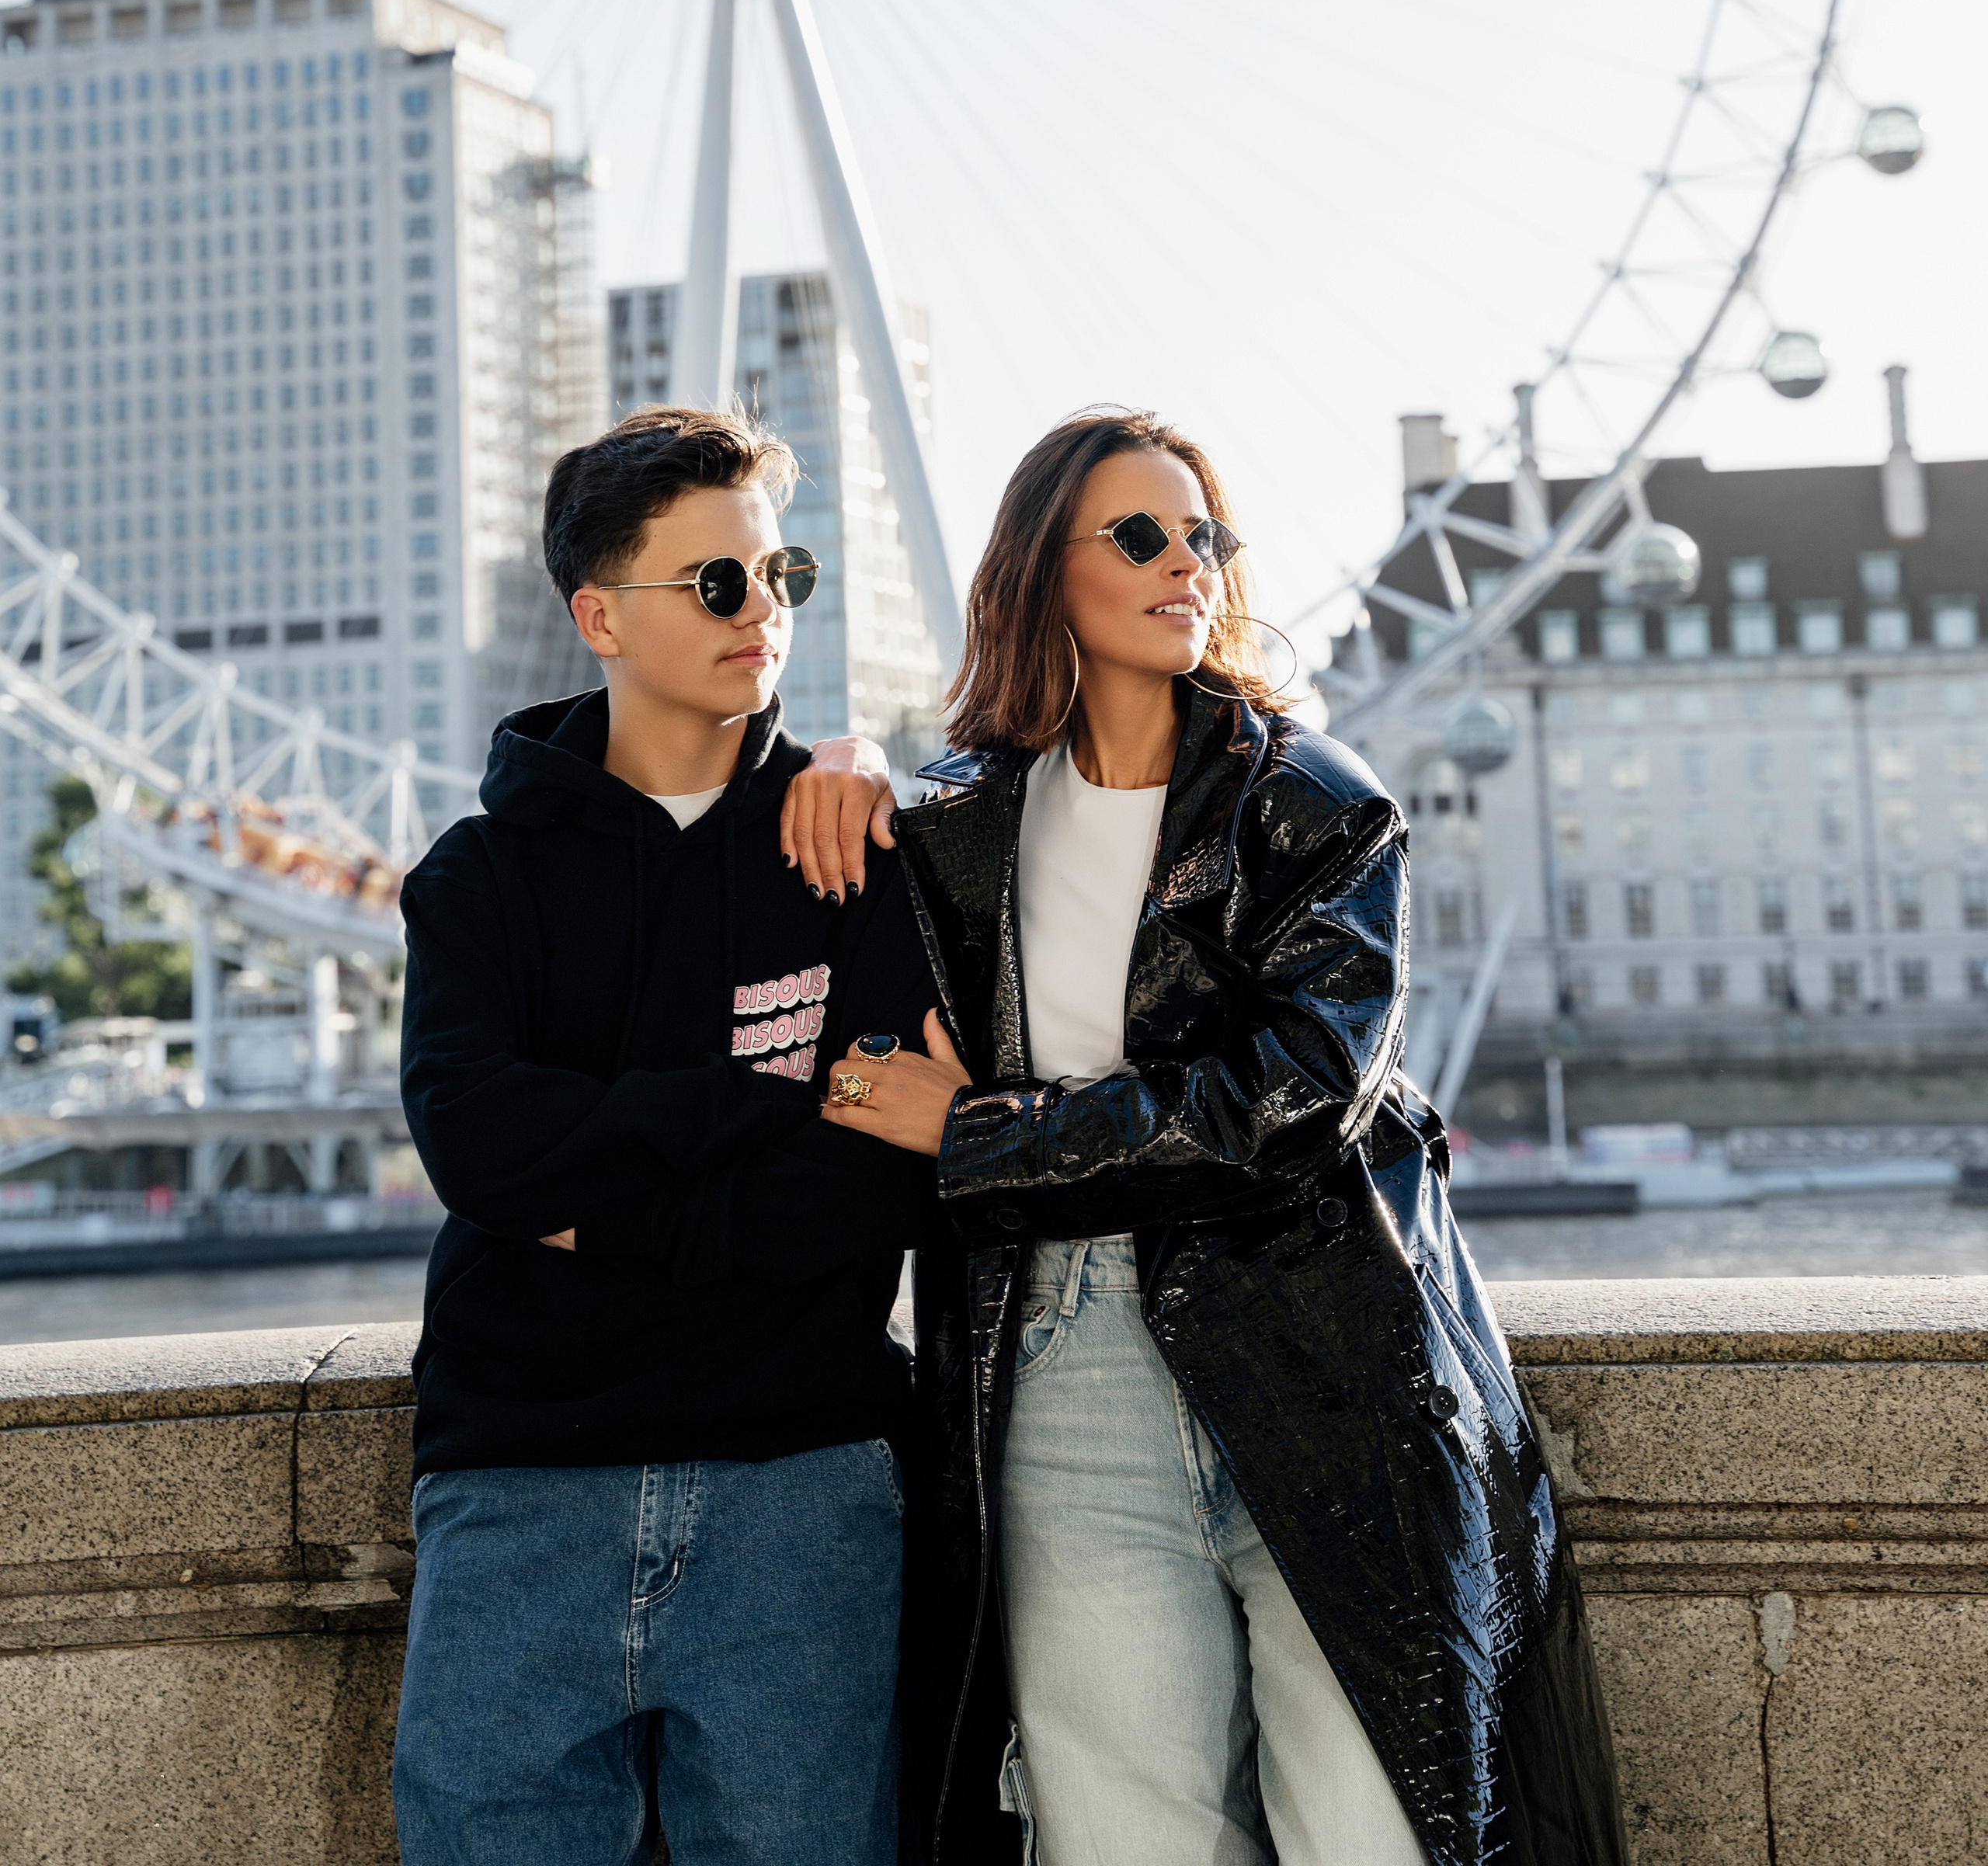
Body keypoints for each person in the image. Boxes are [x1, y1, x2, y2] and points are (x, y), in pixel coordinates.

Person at [784, 408, 1626, 1866]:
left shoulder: (1318, 804)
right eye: (1140, 536)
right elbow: (842, 1061)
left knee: (1375, 1835)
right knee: (1126, 1837)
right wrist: (840, 756)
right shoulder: (951, 826)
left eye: (1205, 536)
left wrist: (982, 1135)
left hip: (1319, 1355)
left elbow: (1290, 1102)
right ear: (1042, 571)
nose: (1189, 566)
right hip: (1057, 1377)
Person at [391, 404, 951, 1866]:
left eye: (782, 576)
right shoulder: (477, 880)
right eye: (717, 583)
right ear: (598, 616)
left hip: (806, 1482)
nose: (761, 611)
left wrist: (598, 1195)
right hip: (519, 1486)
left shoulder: (865, 858)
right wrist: (750, 1106)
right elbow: (480, 1150)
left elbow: (872, 1187)